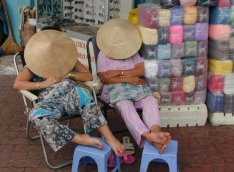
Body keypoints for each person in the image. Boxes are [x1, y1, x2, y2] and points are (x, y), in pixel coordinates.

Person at [13, 25, 125, 155]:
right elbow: (18, 84)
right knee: (36, 117)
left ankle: (109, 137)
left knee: (82, 93)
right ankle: (81, 138)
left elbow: (87, 76)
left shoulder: (68, 58)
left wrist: (68, 75)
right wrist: (43, 84)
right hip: (50, 103)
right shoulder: (35, 63)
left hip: (71, 98)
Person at [96, 19, 171, 153]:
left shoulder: (133, 53)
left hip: (136, 88)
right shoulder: (104, 55)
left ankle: (156, 132)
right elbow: (105, 79)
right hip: (115, 91)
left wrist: (118, 72)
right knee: (125, 105)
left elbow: (140, 71)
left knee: (150, 100)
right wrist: (130, 78)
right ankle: (148, 136)